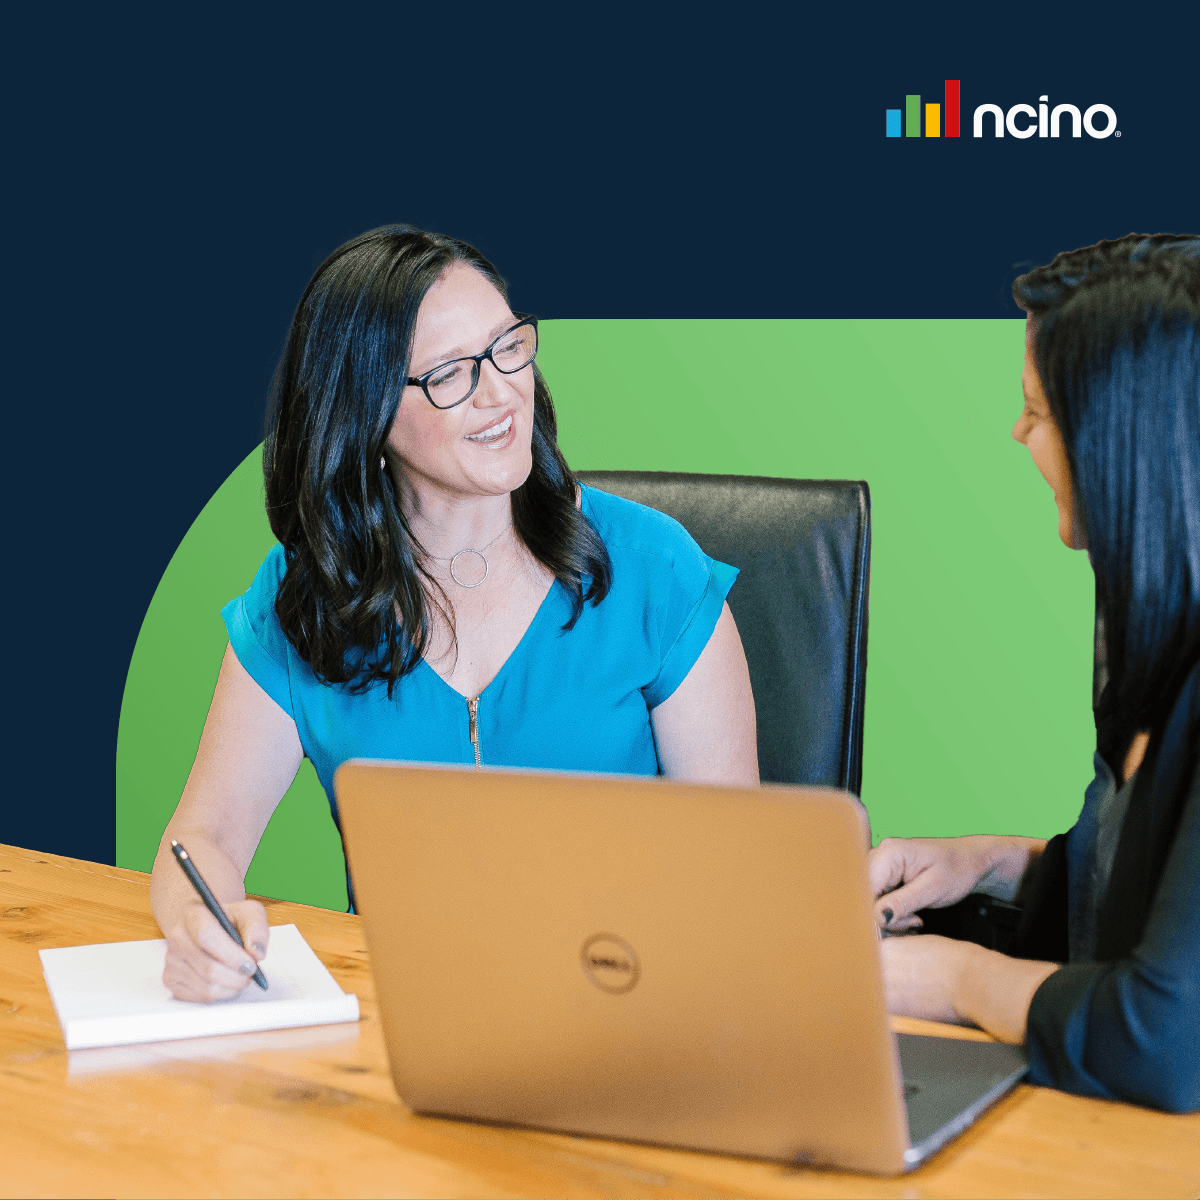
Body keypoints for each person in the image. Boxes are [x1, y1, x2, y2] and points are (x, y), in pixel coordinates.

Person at [149, 225, 759, 1002]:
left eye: (509, 347)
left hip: (633, 1005)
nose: (503, 391)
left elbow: (736, 866)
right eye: (449, 374)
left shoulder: (656, 569)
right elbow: (201, 839)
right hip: (405, 1024)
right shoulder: (301, 602)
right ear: (365, 416)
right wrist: (196, 930)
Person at [870, 233, 1200, 1112]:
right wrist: (987, 867)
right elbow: (1158, 908)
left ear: (1122, 444)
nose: (1017, 434)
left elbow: (1163, 1037)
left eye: (1038, 412)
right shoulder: (1152, 635)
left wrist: (954, 979)